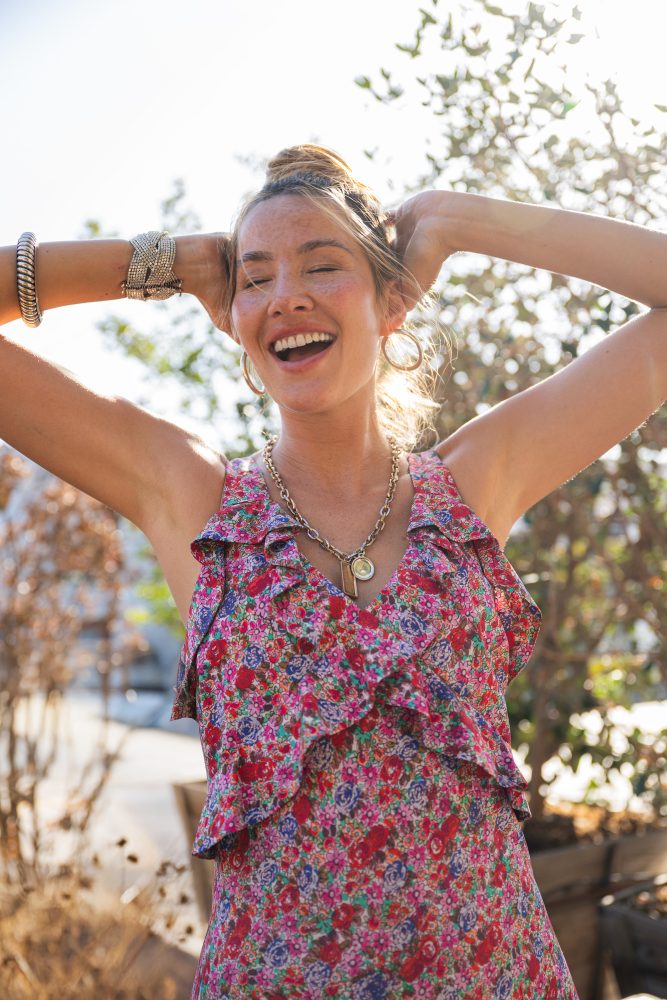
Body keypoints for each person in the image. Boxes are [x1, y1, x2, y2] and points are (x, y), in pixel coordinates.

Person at [1, 143, 666, 999]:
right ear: (234, 314)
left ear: (393, 300)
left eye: (322, 265)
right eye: (256, 277)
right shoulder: (190, 497)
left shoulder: (473, 483)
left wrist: (459, 220)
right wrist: (169, 263)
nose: (287, 295)